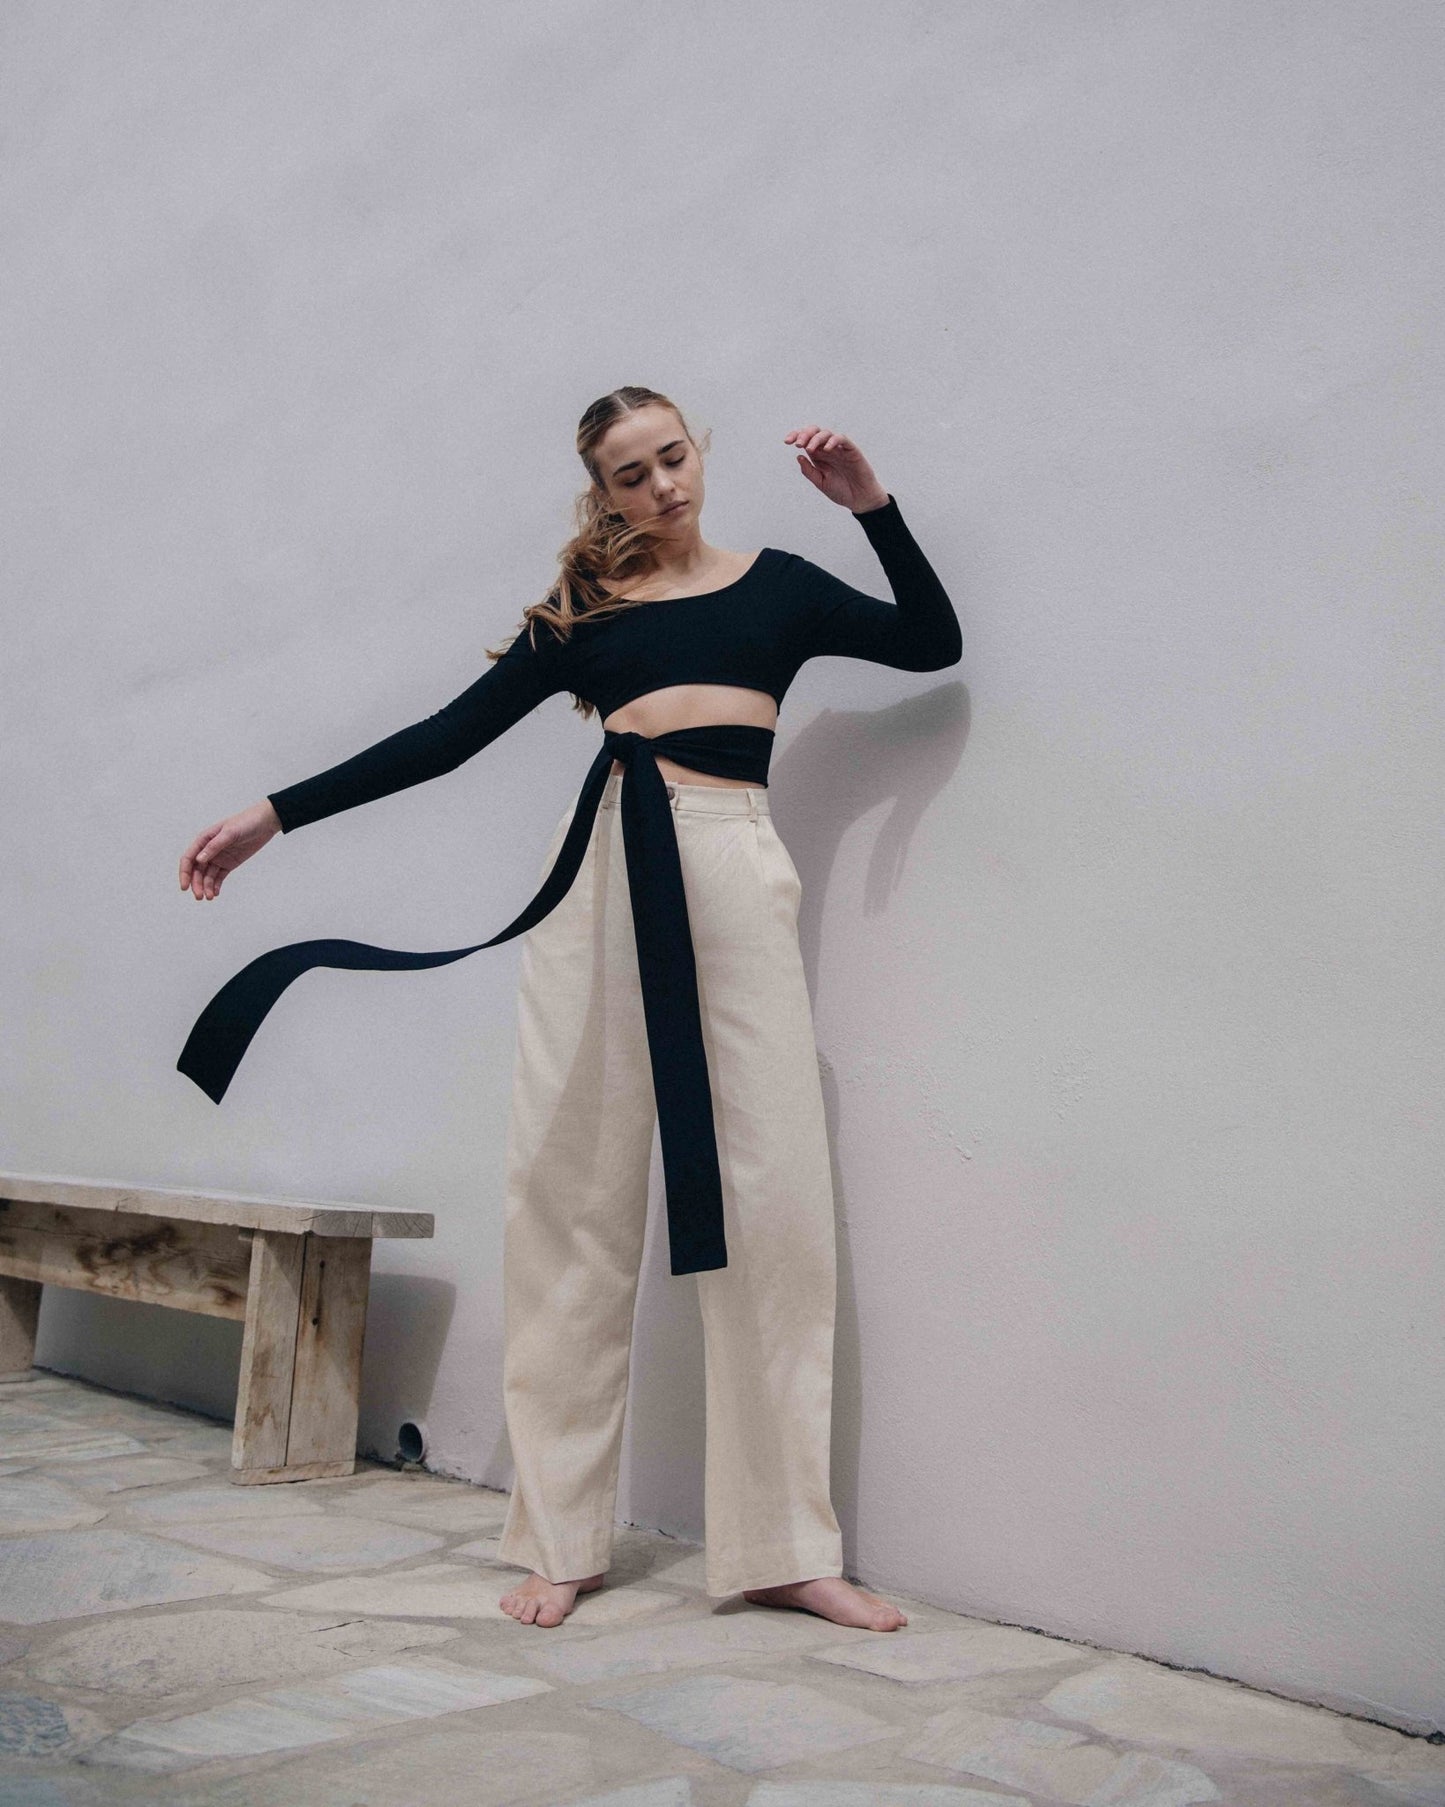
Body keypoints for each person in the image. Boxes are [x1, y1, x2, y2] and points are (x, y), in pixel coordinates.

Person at [178, 387, 961, 1632]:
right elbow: (443, 738)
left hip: (731, 860)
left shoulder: (783, 586)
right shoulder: (581, 619)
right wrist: (275, 813)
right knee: (572, 1187)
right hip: (600, 866)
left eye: (671, 458)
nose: (660, 487)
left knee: (775, 1197)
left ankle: (783, 1545)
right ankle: (559, 1536)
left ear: (697, 452)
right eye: (629, 475)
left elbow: (929, 639)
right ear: (602, 494)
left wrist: (873, 508)